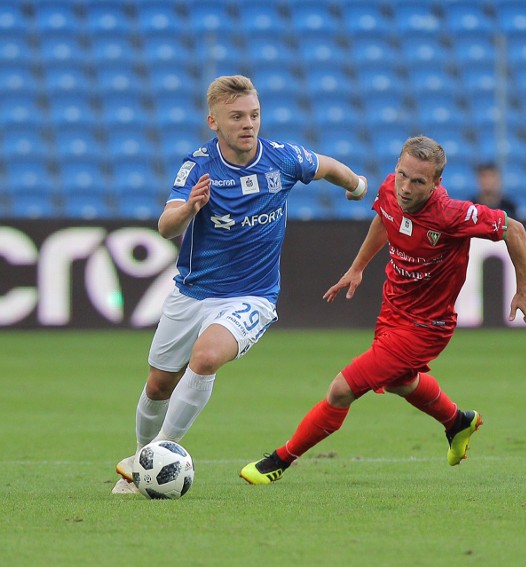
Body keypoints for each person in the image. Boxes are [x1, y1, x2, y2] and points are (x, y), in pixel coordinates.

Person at [111, 75, 368, 494]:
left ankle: (155, 454)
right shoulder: (199, 165)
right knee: (158, 384)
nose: (248, 124)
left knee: (207, 356)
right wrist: (190, 208)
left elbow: (328, 166)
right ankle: (141, 456)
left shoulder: (282, 158)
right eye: (236, 117)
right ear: (213, 121)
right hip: (192, 292)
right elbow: (164, 225)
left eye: (254, 115)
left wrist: (356, 185)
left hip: (252, 295)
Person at [239, 135, 526, 484]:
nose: (405, 187)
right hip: (393, 311)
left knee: (341, 389)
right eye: (402, 175)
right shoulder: (389, 190)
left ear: (435, 183)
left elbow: (513, 229)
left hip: (427, 326)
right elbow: (384, 219)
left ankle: (280, 460)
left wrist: (524, 287)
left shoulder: (451, 215)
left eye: (417, 181)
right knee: (401, 382)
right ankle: (457, 422)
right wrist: (358, 266)